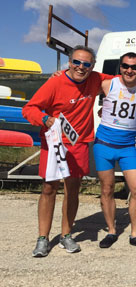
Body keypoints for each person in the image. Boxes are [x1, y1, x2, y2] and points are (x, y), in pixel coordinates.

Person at [23, 45, 114, 257]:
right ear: (69, 62)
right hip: (54, 142)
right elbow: (29, 109)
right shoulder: (55, 82)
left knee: (72, 190)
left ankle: (66, 235)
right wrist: (46, 119)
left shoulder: (95, 79)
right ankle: (43, 238)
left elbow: (125, 77)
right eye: (76, 62)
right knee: (49, 188)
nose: (81, 67)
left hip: (79, 143)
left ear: (92, 66)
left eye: (86, 64)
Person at [94, 52, 136, 250]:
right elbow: (80, 85)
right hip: (103, 145)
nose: (130, 70)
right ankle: (111, 231)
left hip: (128, 147)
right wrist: (59, 75)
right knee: (107, 189)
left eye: (134, 67)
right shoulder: (108, 84)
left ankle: (135, 234)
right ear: (120, 67)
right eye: (126, 66)